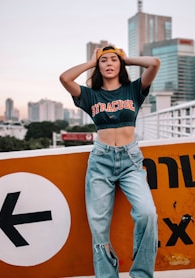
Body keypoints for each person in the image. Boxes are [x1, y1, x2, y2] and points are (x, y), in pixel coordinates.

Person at [59, 45, 160, 278]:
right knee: (99, 227)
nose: (109, 63)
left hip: (131, 162)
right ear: (98, 67)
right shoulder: (90, 95)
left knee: (147, 213)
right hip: (101, 162)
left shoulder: (134, 90)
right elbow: (65, 78)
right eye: (104, 61)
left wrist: (126, 59)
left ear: (120, 64)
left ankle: (142, 275)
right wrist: (92, 62)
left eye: (113, 59)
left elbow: (154, 63)